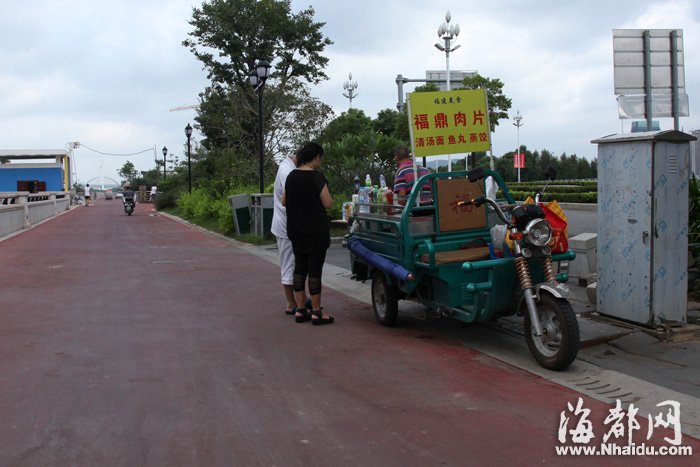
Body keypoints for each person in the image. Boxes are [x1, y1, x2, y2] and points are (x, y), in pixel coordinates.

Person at [282, 142, 334, 325]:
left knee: (299, 269)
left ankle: (300, 309)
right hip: (315, 231)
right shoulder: (316, 177)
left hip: (296, 230)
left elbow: (283, 201)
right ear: (317, 157)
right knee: (314, 271)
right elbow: (328, 203)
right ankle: (317, 312)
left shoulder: (291, 177)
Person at [271, 149, 311, 316]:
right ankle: (290, 303)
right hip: (286, 226)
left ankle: (301, 298)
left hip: (288, 224)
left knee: (296, 263)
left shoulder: (287, 167)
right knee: (289, 264)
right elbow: (292, 198)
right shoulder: (288, 172)